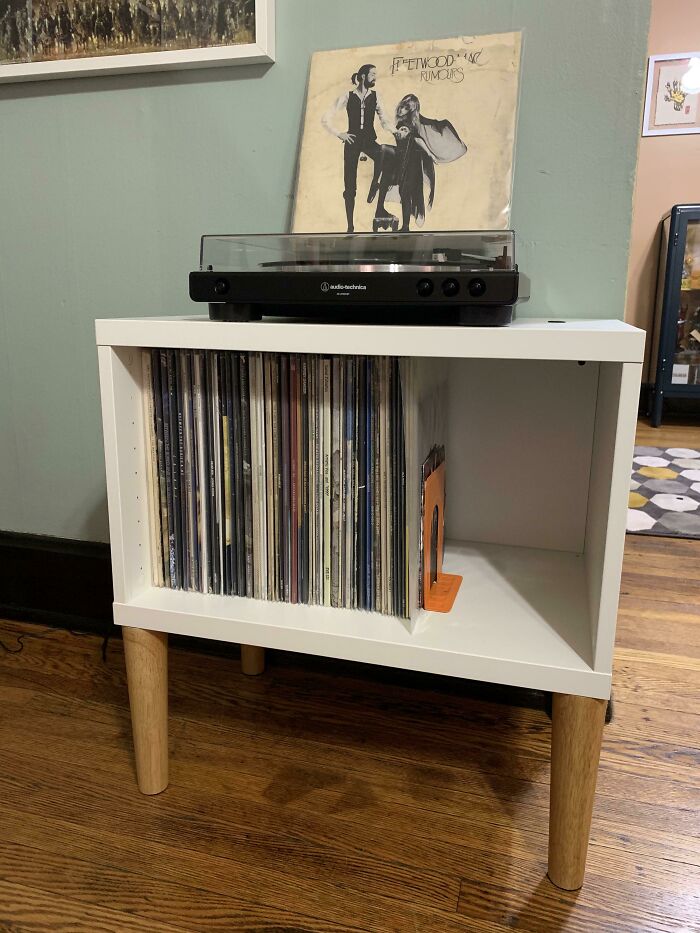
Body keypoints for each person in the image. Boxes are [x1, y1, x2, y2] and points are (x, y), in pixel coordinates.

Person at [369, 93, 467, 232]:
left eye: (405, 108)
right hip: (402, 159)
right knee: (386, 159)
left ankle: (405, 226)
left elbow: (417, 139)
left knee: (405, 192)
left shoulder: (406, 124)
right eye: (401, 106)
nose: (401, 109)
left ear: (410, 111)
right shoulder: (402, 122)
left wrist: (430, 154)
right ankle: (377, 188)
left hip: (411, 163)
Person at [322, 63, 396, 233]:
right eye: (373, 74)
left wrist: (395, 131)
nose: (375, 78)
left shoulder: (376, 97)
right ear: (363, 76)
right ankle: (350, 226)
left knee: (388, 156)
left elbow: (384, 120)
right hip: (352, 143)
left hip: (369, 141)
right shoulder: (347, 96)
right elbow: (326, 118)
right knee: (350, 186)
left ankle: (375, 184)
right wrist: (340, 134)